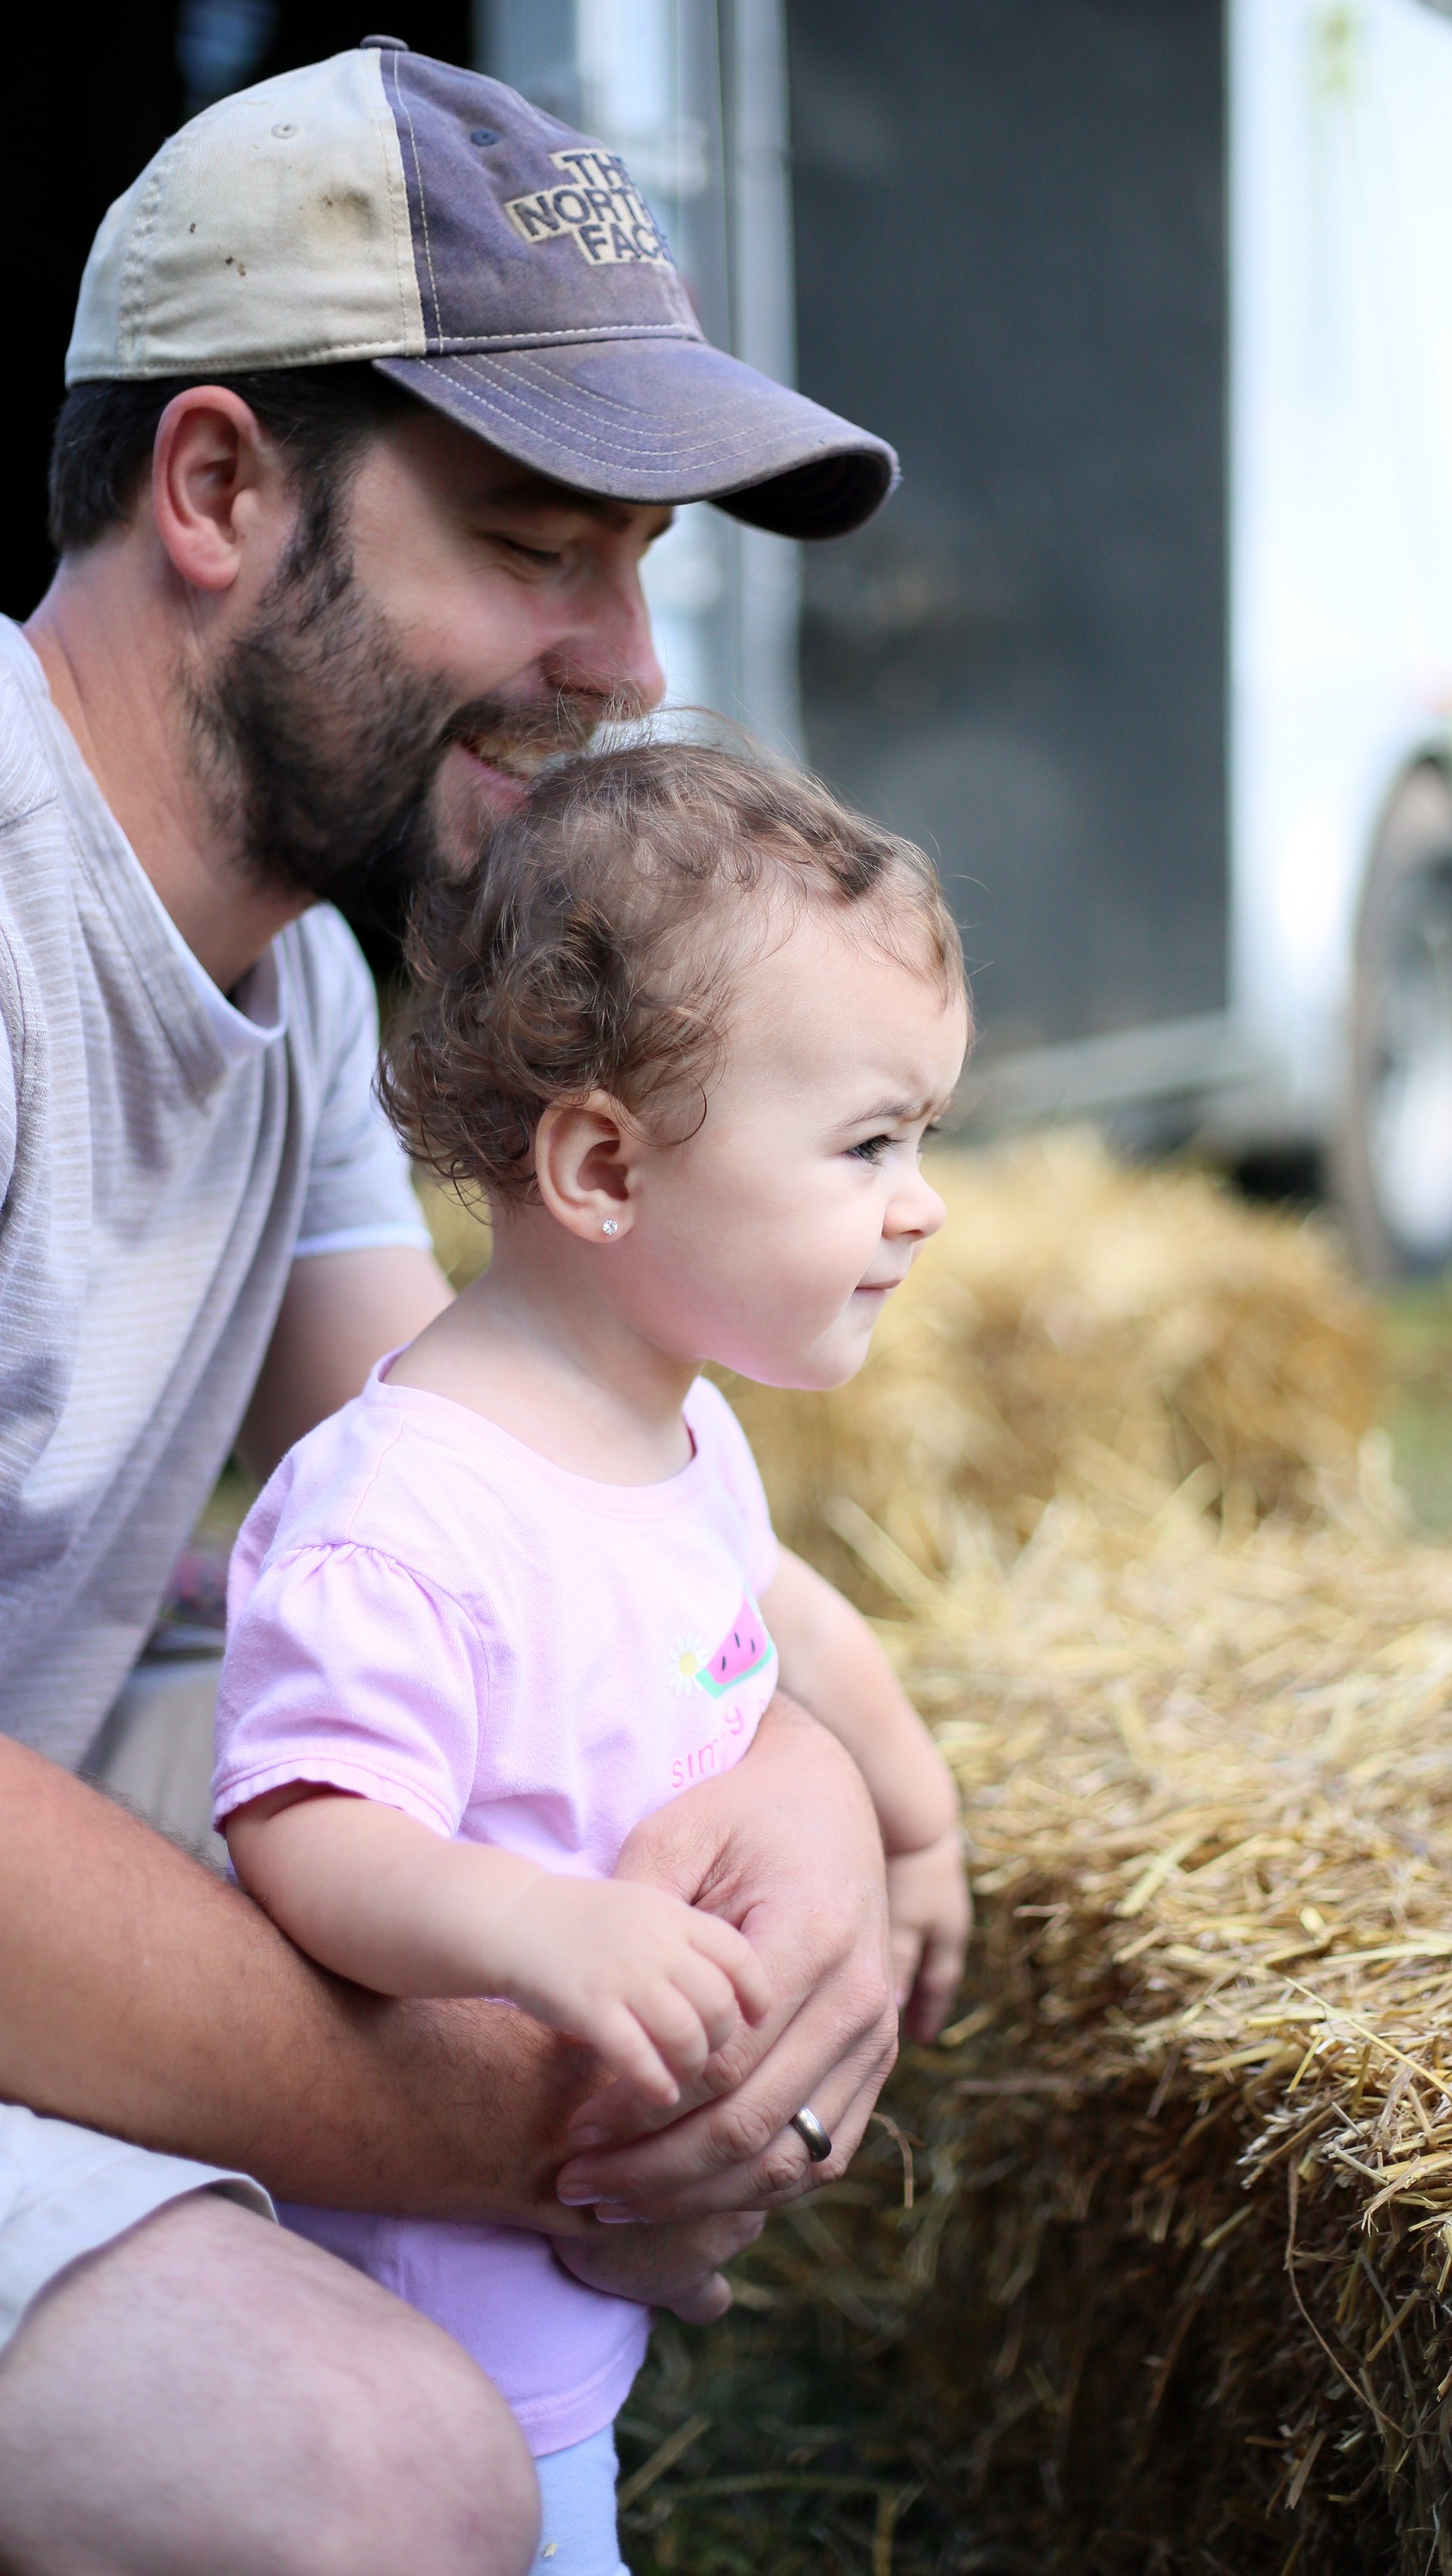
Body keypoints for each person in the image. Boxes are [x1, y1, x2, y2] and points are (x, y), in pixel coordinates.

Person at [0, 39, 911, 2576]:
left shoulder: (296, 979)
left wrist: (807, 1794)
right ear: (215, 489)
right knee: (381, 2478)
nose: (627, 661)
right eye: (534, 547)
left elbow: (507, 1496)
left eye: (638, 563)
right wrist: (564, 2133)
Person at [210, 738, 973, 2566]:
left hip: (558, 2270)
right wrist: (543, 1931)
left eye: (924, 1139)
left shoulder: (674, 1427)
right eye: (870, 1143)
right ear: (606, 1165)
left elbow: (781, 1613)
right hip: (433, 2289)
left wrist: (916, 1821)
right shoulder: (403, 1514)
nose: (924, 1202)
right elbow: (307, 1829)